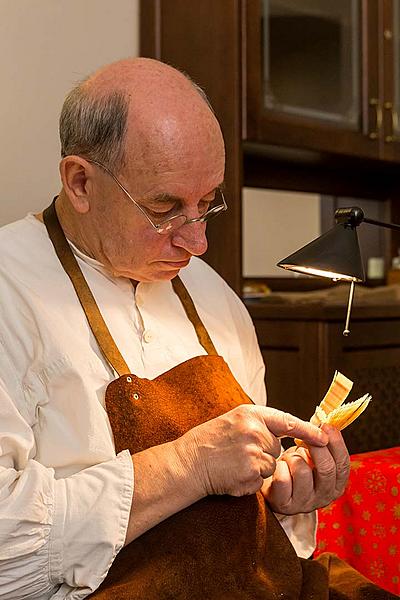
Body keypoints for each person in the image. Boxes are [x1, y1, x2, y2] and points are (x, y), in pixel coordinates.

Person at [0, 57, 395, 600]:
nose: (197, 242)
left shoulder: (211, 295)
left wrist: (285, 495)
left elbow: (268, 525)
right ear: (80, 182)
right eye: (164, 209)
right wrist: (189, 464)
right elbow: (6, 556)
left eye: (207, 205)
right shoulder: (9, 293)